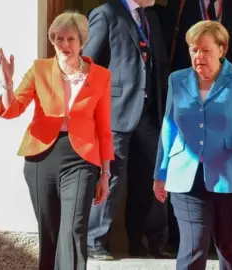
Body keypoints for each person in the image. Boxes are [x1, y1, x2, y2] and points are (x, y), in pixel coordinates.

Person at [0, 11, 114, 270]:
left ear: (82, 42)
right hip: (41, 156)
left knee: (74, 228)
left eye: (70, 38)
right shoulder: (40, 69)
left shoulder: (100, 75)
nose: (64, 45)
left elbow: (104, 127)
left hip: (81, 158)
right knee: (48, 231)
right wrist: (7, 82)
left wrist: (105, 173)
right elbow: (12, 110)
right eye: (58, 39)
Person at [153, 21, 232, 270]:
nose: (198, 56)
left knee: (230, 247)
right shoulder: (177, 79)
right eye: (194, 50)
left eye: (205, 50)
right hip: (186, 176)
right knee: (193, 246)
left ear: (222, 49)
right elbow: (169, 127)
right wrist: (161, 173)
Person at [83, 0, 170, 259]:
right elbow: (89, 62)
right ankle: (95, 239)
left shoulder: (150, 17)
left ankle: (147, 241)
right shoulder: (106, 13)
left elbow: (159, 62)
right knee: (112, 176)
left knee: (153, 176)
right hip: (115, 110)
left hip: (149, 111)